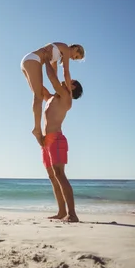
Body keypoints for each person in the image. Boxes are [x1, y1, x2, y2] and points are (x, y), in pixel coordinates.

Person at [40, 60, 83, 223]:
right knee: (53, 177)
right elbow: (41, 89)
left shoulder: (66, 97)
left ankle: (72, 214)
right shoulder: (52, 98)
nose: (68, 80)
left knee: (60, 174)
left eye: (71, 82)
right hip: (46, 142)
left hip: (57, 140)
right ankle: (61, 212)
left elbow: (52, 78)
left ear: (72, 89)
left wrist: (45, 61)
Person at [21, 42, 85, 146]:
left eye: (76, 58)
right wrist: (68, 87)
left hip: (28, 61)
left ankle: (37, 129)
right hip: (33, 60)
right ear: (75, 47)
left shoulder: (57, 55)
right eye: (76, 56)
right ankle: (37, 129)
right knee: (38, 96)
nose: (73, 58)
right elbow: (66, 72)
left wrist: (61, 86)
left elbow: (54, 74)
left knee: (38, 92)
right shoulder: (65, 48)